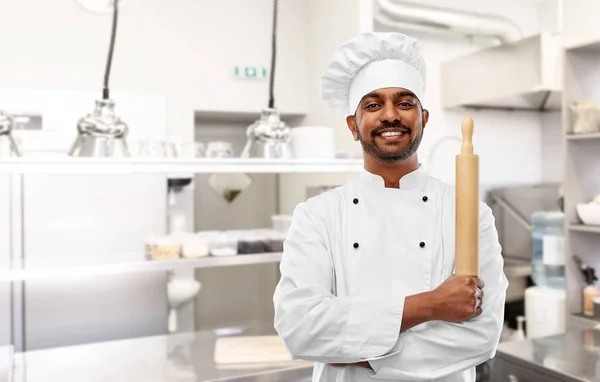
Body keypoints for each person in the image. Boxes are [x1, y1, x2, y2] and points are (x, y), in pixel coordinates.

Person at [272, 32, 509, 382]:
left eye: (404, 103)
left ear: (423, 118)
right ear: (353, 126)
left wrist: (365, 356)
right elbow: (299, 327)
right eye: (372, 105)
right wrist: (431, 305)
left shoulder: (468, 212)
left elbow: (482, 335)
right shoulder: (318, 215)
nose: (389, 115)